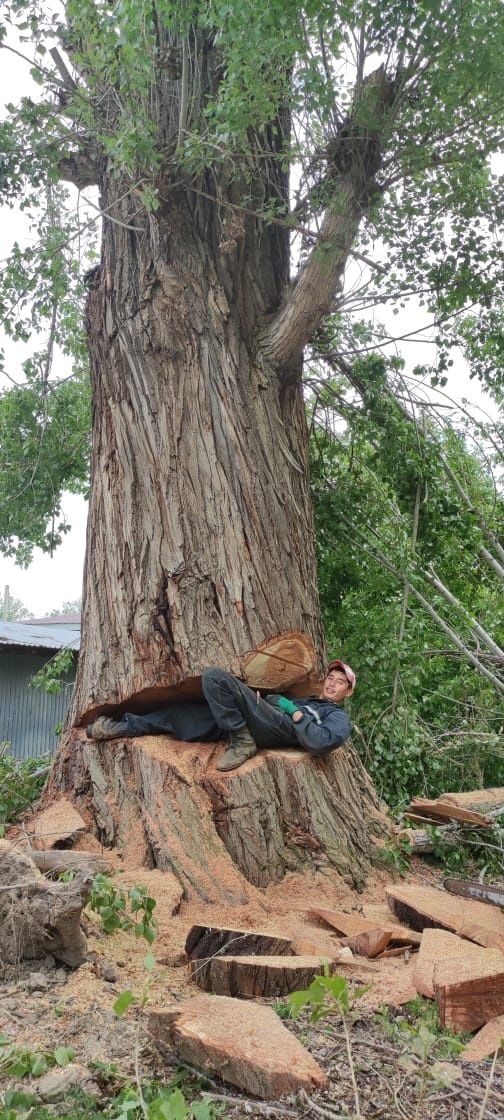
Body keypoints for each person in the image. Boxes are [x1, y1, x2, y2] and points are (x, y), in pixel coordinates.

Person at [86, 659, 356, 772]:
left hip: (279, 730)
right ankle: (123, 727)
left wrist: (293, 712)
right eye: (330, 678)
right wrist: (273, 703)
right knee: (181, 714)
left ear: (347, 692)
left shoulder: (337, 717)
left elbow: (321, 742)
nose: (332, 684)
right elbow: (277, 699)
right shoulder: (307, 700)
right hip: (260, 719)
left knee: (215, 677)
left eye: (339, 683)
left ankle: (242, 741)